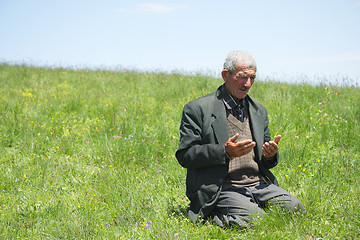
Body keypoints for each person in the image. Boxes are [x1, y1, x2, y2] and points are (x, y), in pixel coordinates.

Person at [175, 50, 305, 228]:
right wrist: (225, 152)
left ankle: (245, 208)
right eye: (242, 77)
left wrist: (269, 155)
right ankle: (214, 215)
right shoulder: (197, 109)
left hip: (259, 184)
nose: (248, 83)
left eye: (252, 77)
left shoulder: (258, 111)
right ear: (225, 75)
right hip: (224, 186)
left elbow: (266, 162)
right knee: (258, 220)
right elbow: (185, 155)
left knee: (296, 209)